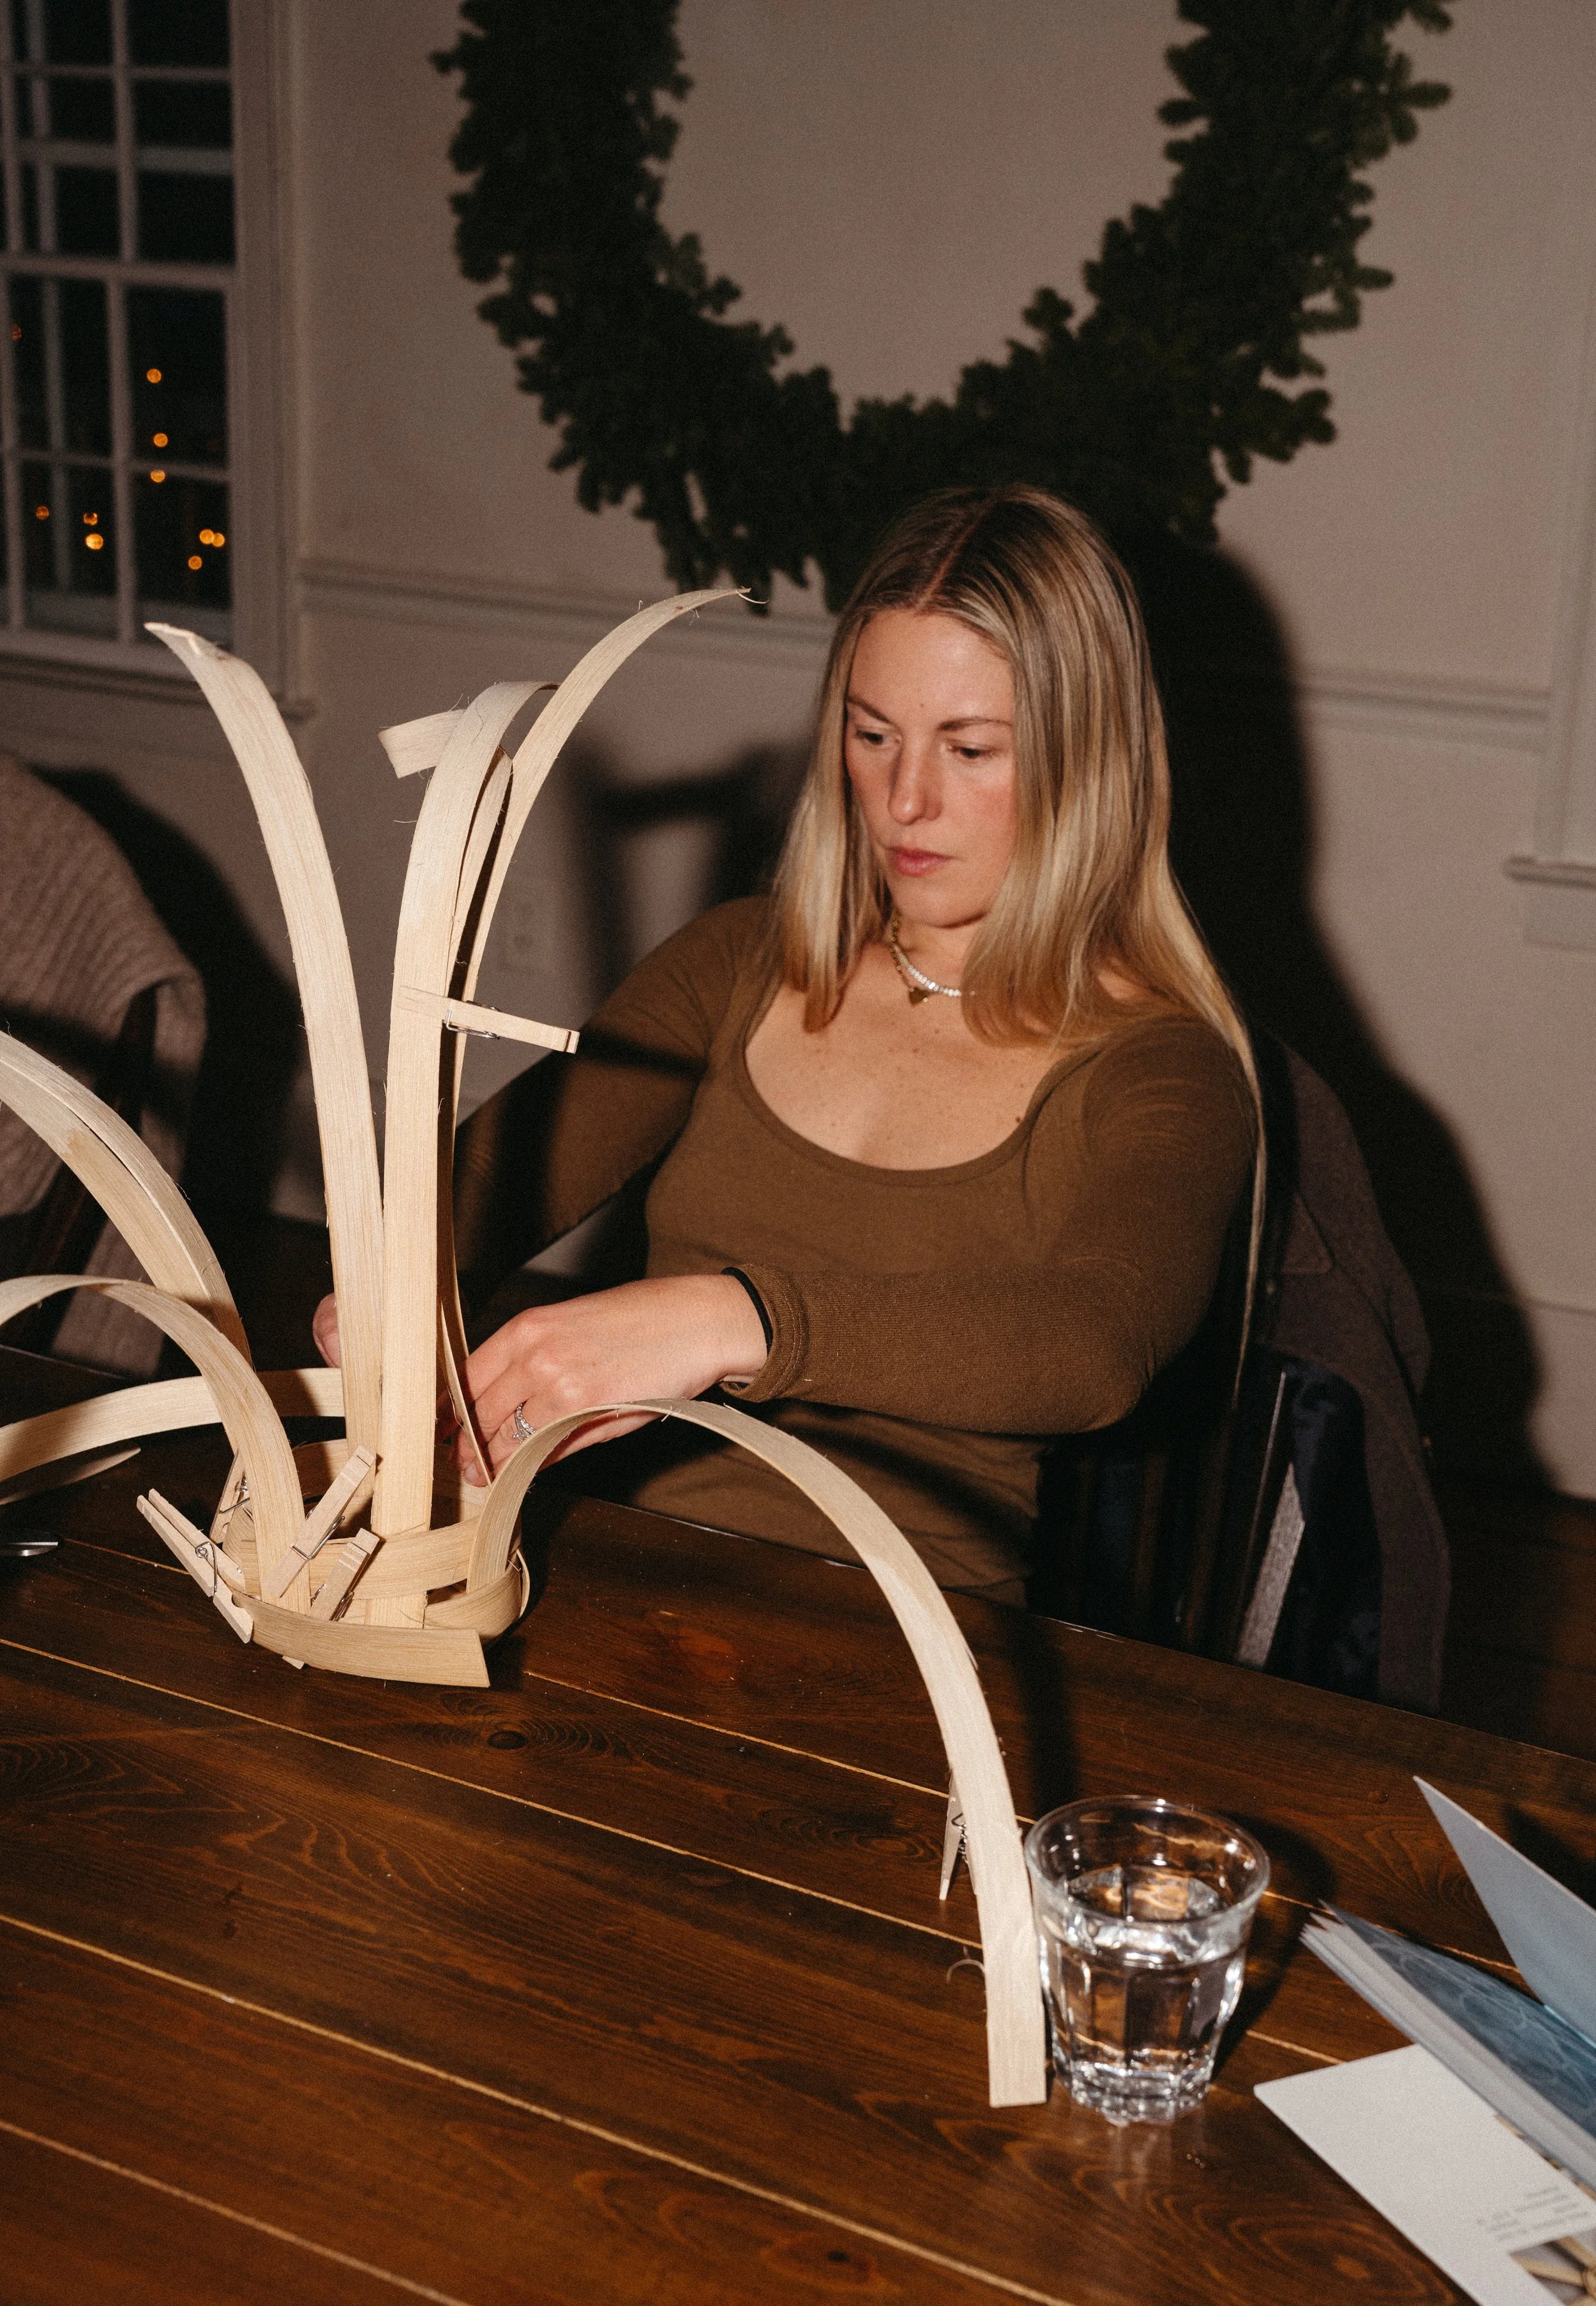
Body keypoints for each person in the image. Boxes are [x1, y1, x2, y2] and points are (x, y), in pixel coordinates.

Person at [315, 485, 1260, 1605]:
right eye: (873, 735)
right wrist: (382, 1287)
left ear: (1086, 761)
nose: (908, 799)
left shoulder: (1160, 1068)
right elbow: (483, 1186)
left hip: (909, 1639)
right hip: (611, 1577)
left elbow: (1096, 1345)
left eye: (971, 749)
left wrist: (736, 1318)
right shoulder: (742, 960)